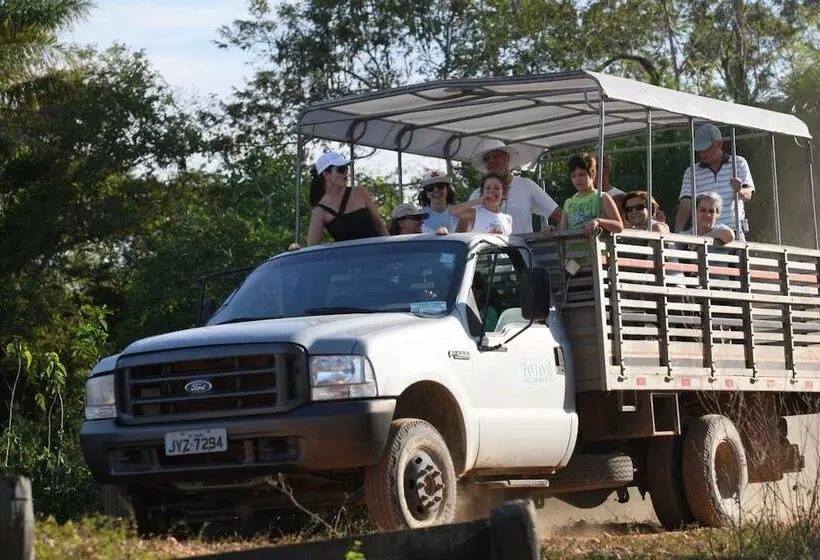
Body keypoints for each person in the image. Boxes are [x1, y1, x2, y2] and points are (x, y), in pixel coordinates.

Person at [674, 123, 754, 240]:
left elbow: (748, 194)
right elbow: (686, 205)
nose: (702, 153)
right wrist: (676, 237)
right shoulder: (691, 172)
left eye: (707, 148)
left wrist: (740, 190)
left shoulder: (738, 163)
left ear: (719, 143)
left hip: (734, 234)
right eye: (700, 149)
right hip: (703, 236)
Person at [468, 140, 561, 233]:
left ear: (507, 158)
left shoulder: (526, 185)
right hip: (488, 247)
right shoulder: (476, 194)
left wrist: (554, 229)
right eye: (486, 159)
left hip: (521, 246)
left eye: (496, 156)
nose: (491, 160)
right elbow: (465, 227)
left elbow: (559, 215)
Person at [306, 151, 388, 245]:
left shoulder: (359, 192)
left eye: (346, 169)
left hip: (376, 254)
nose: (345, 174)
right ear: (326, 175)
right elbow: (312, 246)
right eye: (341, 170)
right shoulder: (320, 211)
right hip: (348, 259)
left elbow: (381, 226)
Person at [544, 153, 623, 236]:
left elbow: (619, 226)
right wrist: (552, 229)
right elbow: (562, 230)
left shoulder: (602, 197)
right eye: (573, 176)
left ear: (593, 174)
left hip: (596, 247)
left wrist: (598, 221)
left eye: (582, 174)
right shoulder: (568, 203)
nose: (577, 179)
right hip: (573, 248)